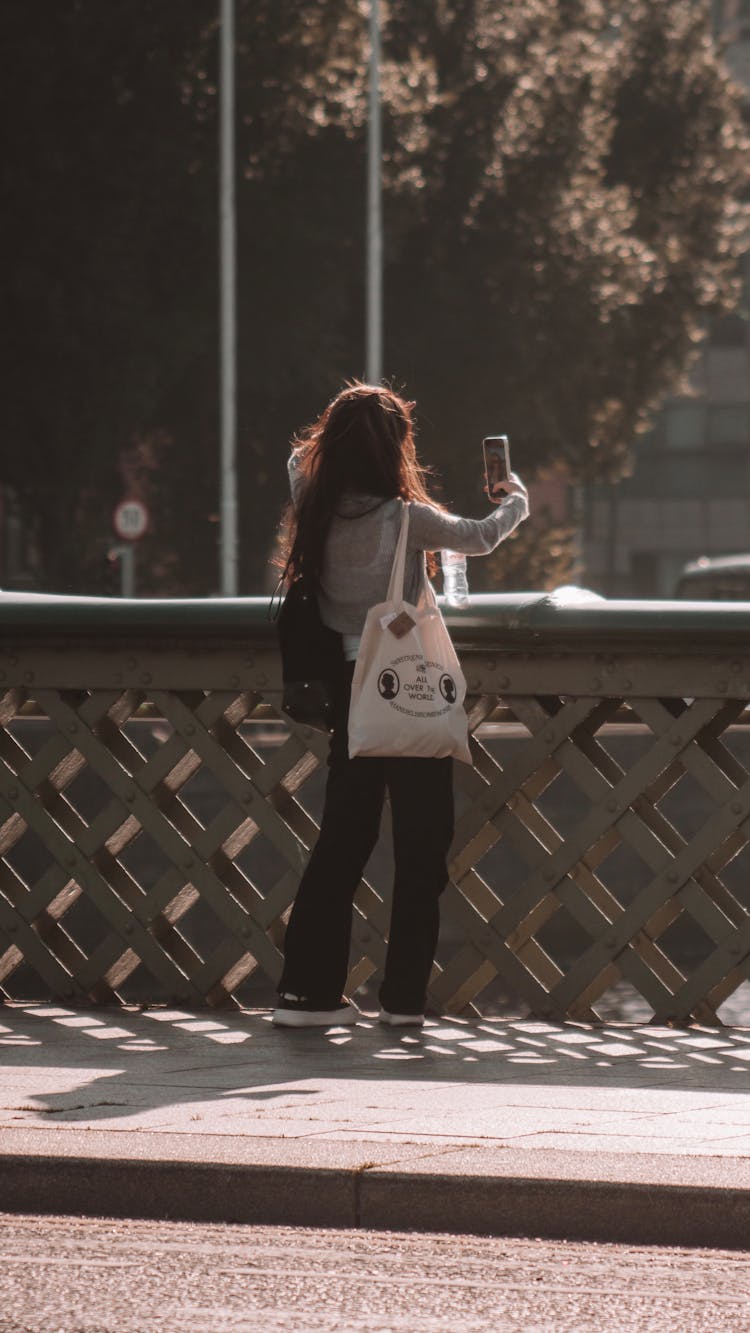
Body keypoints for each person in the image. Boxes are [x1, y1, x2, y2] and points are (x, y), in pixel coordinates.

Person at [273, 382, 529, 1028]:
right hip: (408, 685)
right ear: (395, 451)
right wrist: (516, 497)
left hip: (348, 689)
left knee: (342, 840)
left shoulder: (314, 505)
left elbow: (296, 464)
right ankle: (403, 999)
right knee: (421, 845)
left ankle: (307, 991)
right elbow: (481, 536)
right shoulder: (406, 518)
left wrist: (333, 440)